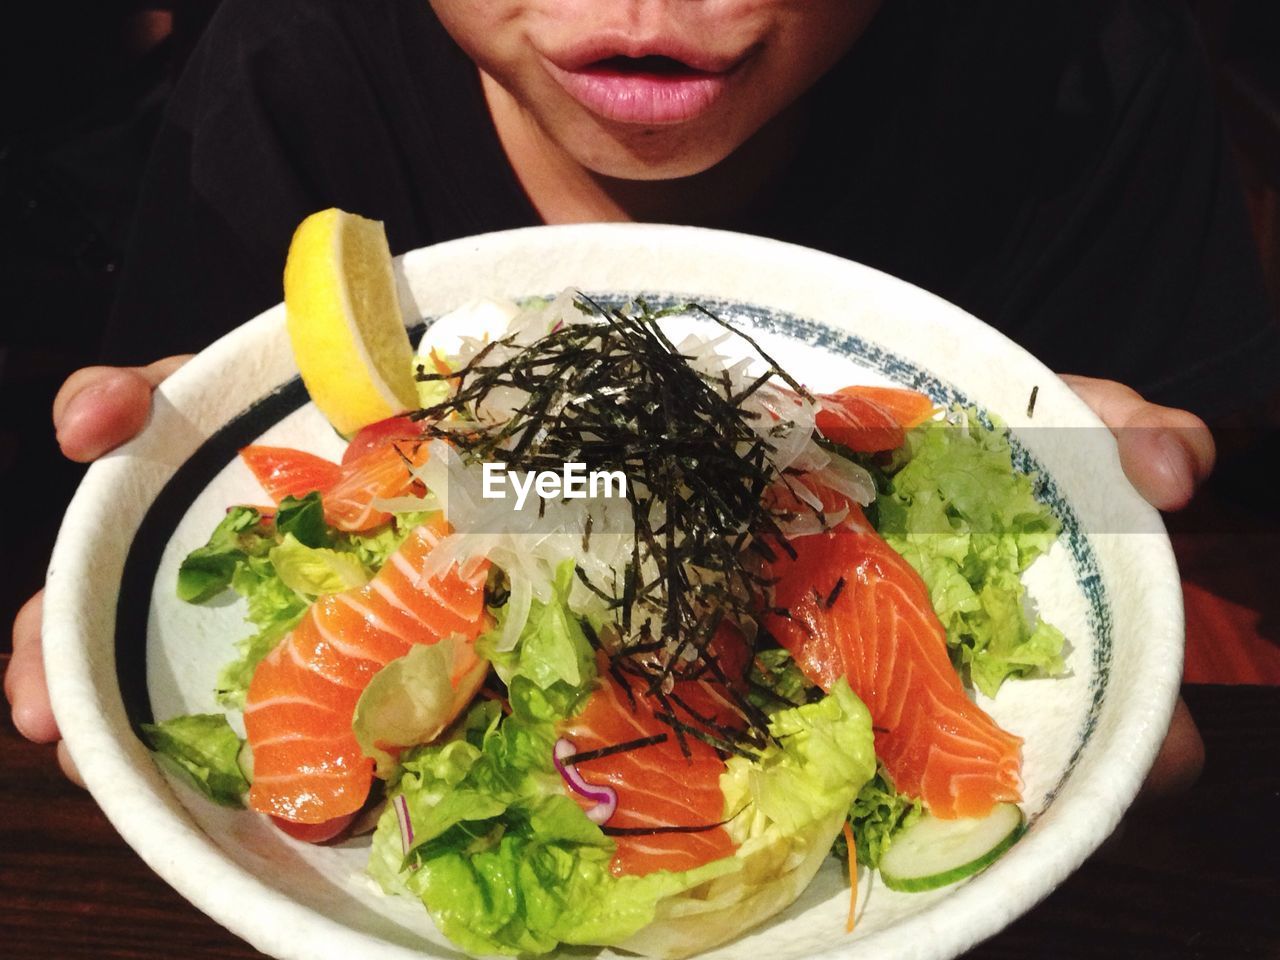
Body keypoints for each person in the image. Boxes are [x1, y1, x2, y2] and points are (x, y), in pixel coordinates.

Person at [12, 0, 1273, 793]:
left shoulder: (1077, 60)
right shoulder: (289, 63)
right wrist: (139, 503)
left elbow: (1196, 468)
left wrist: (1159, 528)